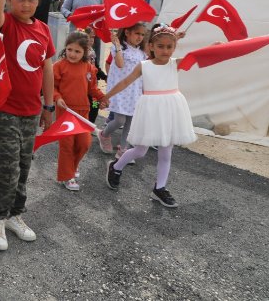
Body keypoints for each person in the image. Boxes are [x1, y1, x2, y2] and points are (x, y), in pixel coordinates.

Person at [0, 0, 54, 251]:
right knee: (8, 166)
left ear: (39, 1)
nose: (26, 4)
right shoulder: (7, 25)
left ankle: (14, 214)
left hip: (31, 110)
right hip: (3, 108)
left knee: (24, 165)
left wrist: (48, 105)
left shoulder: (43, 29)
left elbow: (47, 69)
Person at [104, 26, 197, 208]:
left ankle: (160, 188)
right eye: (161, 46)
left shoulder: (175, 63)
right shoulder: (144, 65)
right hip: (151, 110)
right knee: (140, 151)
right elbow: (124, 81)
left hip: (170, 110)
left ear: (174, 47)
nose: (165, 51)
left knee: (166, 151)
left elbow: (198, 57)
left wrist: (214, 48)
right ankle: (115, 167)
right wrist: (106, 97)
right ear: (151, 46)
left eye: (170, 47)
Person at [52, 32, 105, 191]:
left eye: (77, 51)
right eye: (69, 49)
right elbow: (52, 86)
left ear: (85, 52)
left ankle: (73, 167)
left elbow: (92, 88)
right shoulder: (58, 66)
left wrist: (102, 98)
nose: (72, 54)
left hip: (83, 112)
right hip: (65, 112)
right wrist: (57, 97)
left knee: (84, 144)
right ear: (65, 48)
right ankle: (67, 176)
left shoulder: (89, 68)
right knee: (67, 145)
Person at [98, 24, 147, 158]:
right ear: (127, 32)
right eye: (137, 33)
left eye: (142, 35)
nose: (140, 37)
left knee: (130, 121)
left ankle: (123, 149)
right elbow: (120, 64)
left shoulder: (142, 52)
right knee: (120, 120)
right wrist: (117, 45)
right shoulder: (118, 48)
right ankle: (104, 134)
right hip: (120, 90)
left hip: (134, 91)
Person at [60, 0, 108, 65]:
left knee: (93, 64)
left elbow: (107, 11)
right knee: (72, 63)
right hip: (75, 36)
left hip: (93, 36)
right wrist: (70, 15)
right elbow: (64, 8)